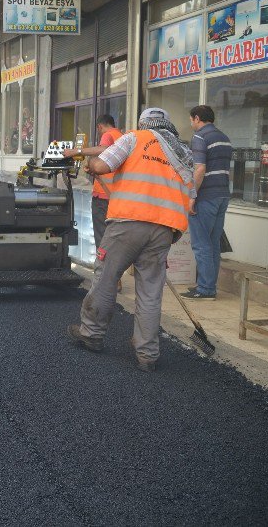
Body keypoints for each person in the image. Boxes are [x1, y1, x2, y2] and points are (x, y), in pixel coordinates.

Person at [67, 107, 194, 372]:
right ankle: (147, 355)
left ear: (143, 123)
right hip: (163, 230)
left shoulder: (134, 138)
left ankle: (91, 334)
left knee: (105, 278)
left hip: (127, 222)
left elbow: (102, 164)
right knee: (150, 292)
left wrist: (89, 165)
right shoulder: (182, 152)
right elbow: (188, 192)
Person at [184, 105, 232, 301]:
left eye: (191, 120)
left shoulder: (200, 137)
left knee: (201, 244)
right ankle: (209, 287)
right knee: (212, 244)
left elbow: (200, 169)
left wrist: (192, 196)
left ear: (197, 118)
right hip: (222, 195)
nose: (191, 123)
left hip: (205, 198)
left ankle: (205, 289)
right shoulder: (224, 138)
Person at [62, 114, 123, 250]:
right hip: (116, 196)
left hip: (102, 197)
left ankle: (102, 268)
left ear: (99, 126)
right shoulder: (122, 136)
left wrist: (75, 151)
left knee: (101, 238)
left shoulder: (108, 135)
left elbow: (103, 149)